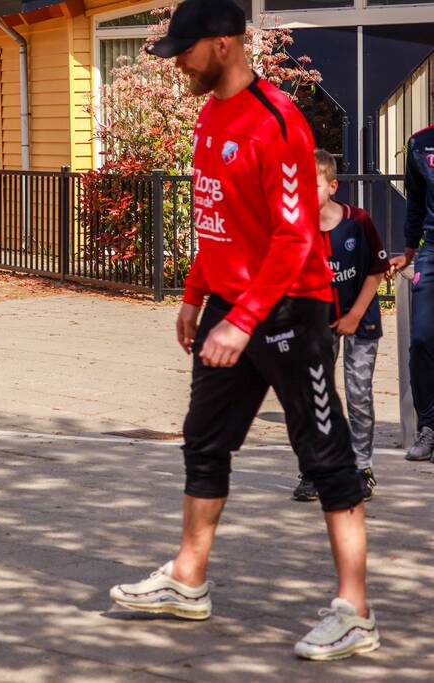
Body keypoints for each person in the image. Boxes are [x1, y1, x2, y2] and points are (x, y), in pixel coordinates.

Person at [107, 0, 377, 662]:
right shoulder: (210, 115)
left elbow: (291, 240)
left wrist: (244, 319)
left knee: (326, 458)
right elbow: (215, 218)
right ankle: (187, 580)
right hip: (228, 306)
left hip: (289, 310)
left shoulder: (277, 121)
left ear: (223, 44)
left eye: (187, 51)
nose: (178, 64)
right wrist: (194, 297)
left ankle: (355, 612)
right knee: (203, 442)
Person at [293, 150, 389, 503]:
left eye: (313, 184)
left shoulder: (357, 222)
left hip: (359, 324)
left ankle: (361, 467)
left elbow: (376, 271)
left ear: (332, 186)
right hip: (317, 326)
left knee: (358, 395)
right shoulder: (296, 229)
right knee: (316, 396)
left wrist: (354, 315)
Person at [389, 123, 434, 461]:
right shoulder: (420, 143)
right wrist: (408, 249)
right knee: (421, 339)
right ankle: (429, 428)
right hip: (431, 249)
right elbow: (415, 203)